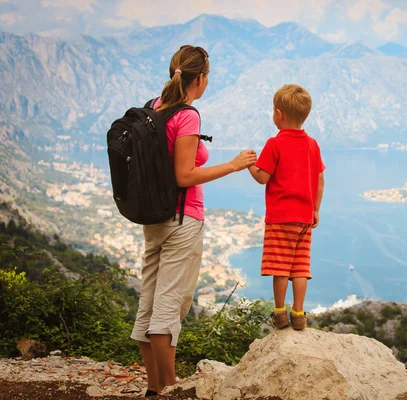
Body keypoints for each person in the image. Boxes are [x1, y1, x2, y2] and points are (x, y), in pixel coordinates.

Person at [129, 45, 257, 397]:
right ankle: (170, 389)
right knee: (168, 309)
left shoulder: (154, 106)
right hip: (182, 219)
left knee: (150, 303)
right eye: (208, 75)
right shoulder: (187, 115)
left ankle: (154, 388)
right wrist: (233, 165)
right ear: (200, 78)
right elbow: (184, 175)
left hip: (153, 218)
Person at [248, 84, 325, 331]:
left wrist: (248, 164)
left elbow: (262, 177)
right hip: (304, 218)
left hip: (281, 217)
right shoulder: (312, 144)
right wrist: (315, 209)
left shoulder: (275, 143)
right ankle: (299, 313)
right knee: (300, 267)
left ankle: (280, 313)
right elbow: (320, 178)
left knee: (280, 267)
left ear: (278, 114)